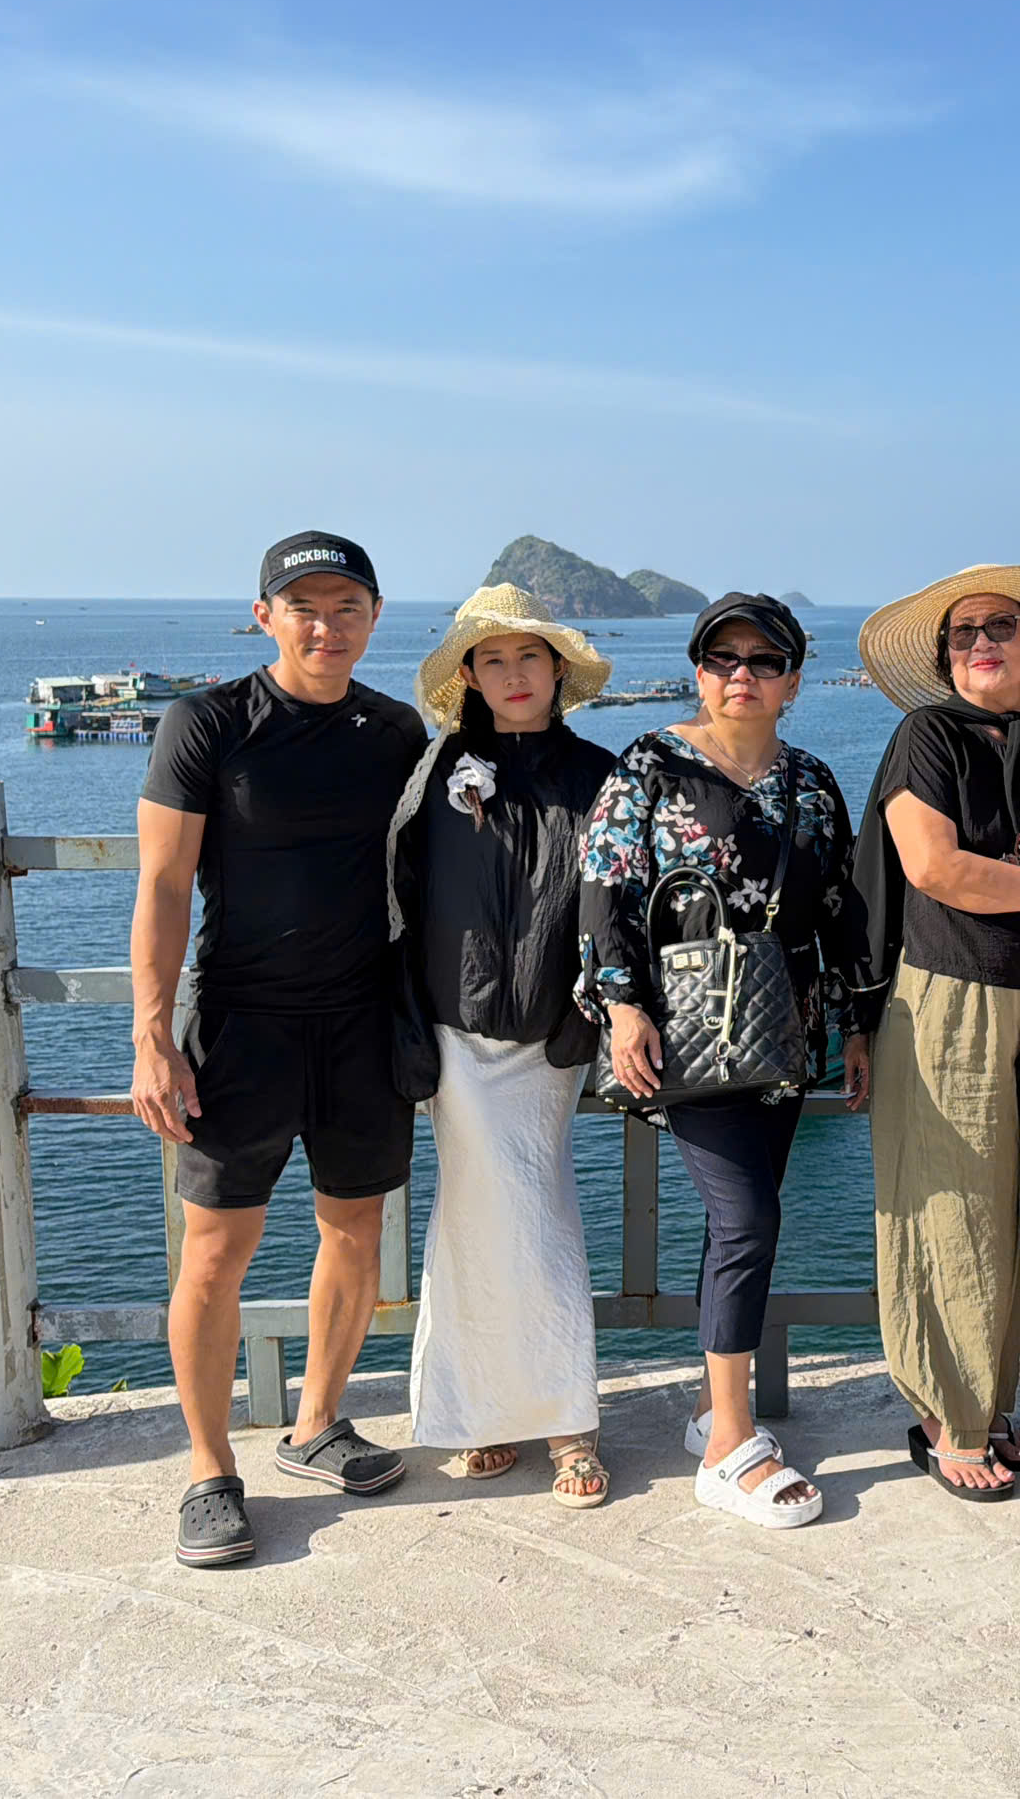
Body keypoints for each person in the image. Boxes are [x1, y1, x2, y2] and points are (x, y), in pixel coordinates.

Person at [129, 531, 426, 1569]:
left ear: (375, 618)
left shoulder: (396, 729)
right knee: (215, 1251)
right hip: (240, 1025)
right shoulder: (206, 721)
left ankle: (316, 1425)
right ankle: (210, 1471)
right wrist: (151, 1035)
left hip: (362, 1023)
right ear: (264, 617)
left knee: (356, 1230)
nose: (325, 625)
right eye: (304, 606)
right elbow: (164, 882)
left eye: (347, 606)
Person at [575, 592, 872, 1530]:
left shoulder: (811, 781)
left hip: (783, 1028)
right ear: (699, 672)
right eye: (722, 658)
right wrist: (622, 1005)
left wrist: (857, 1025)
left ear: (793, 679)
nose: (741, 674)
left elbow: (840, 908)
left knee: (737, 1222)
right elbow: (605, 888)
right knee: (747, 1219)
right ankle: (730, 1446)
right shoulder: (650, 766)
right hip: (688, 1027)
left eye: (763, 660)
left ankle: (717, 1409)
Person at [851, 566, 1020, 1499]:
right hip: (949, 995)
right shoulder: (929, 734)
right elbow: (935, 867)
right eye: (962, 633)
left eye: (1001, 627)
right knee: (949, 1205)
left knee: (1006, 1209)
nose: (981, 643)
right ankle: (948, 1416)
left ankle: (988, 1402)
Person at [387, 584, 617, 1507]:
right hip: (452, 1030)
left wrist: (593, 1010)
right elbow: (398, 897)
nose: (514, 674)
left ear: (557, 670)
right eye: (494, 659)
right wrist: (405, 1020)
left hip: (553, 1034)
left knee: (536, 1210)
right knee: (472, 1214)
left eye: (530, 657)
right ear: (471, 677)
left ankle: (560, 1418)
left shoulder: (599, 774)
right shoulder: (437, 770)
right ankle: (485, 1414)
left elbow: (618, 901)